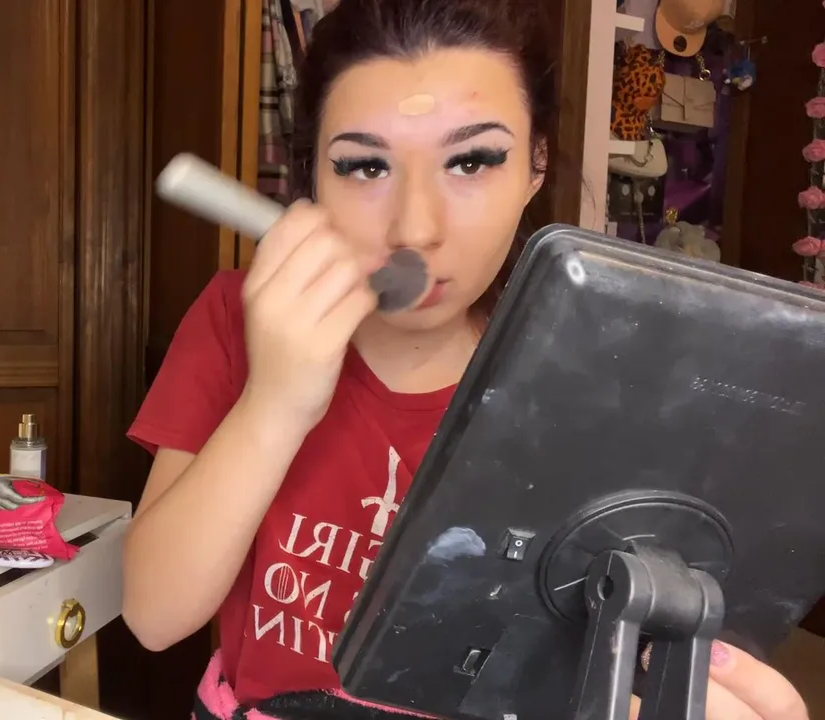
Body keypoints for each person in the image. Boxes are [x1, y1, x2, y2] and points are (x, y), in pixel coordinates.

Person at [122, 0, 811, 718]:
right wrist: (274, 403)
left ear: (536, 164)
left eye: (472, 160)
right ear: (313, 180)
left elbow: (608, 659)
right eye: (365, 167)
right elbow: (153, 616)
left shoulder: (594, 380)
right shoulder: (240, 316)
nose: (415, 228)